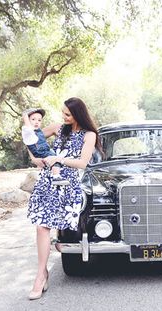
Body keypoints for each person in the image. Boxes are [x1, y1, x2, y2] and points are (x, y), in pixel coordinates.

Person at [26, 97, 101, 300]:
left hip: (69, 185)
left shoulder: (89, 135)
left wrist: (58, 158)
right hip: (47, 182)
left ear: (78, 114)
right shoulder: (58, 128)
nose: (64, 117)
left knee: (63, 230)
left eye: (68, 114)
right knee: (42, 226)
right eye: (63, 113)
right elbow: (32, 138)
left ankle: (56, 257)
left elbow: (83, 163)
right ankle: (41, 275)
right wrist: (36, 159)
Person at [21, 108, 67, 180]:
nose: (36, 122)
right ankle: (56, 176)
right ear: (28, 121)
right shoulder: (28, 131)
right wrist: (25, 115)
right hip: (40, 152)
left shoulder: (38, 131)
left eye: (39, 120)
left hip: (45, 150)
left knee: (54, 156)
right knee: (55, 160)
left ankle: (56, 173)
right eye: (33, 119)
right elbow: (28, 127)